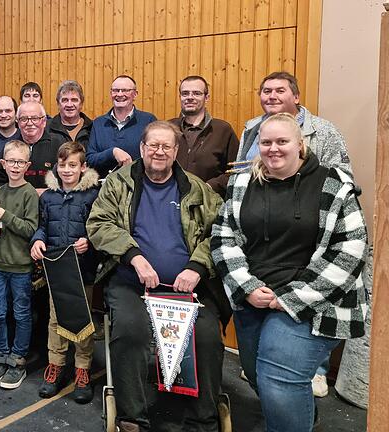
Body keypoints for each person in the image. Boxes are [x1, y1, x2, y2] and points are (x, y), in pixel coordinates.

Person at [211, 113, 368, 432]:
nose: (273, 149)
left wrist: (291, 299)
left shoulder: (332, 184)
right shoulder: (243, 183)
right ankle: (303, 419)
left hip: (315, 303)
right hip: (254, 297)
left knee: (278, 375)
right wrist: (247, 286)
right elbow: (223, 235)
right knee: (257, 376)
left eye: (282, 141)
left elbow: (351, 249)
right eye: (265, 142)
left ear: (301, 145)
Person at [87, 121, 228, 431]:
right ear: (142, 148)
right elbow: (99, 225)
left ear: (176, 151)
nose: (159, 152)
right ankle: (132, 417)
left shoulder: (197, 188)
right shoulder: (118, 183)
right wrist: (134, 257)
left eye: (167, 146)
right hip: (131, 281)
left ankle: (203, 419)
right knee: (130, 331)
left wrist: (197, 267)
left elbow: (220, 232)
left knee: (205, 337)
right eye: (153, 145)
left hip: (188, 286)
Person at [30, 142, 99, 404]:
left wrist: (89, 241)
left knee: (83, 320)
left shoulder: (93, 195)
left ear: (83, 167)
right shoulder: (48, 196)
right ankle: (55, 366)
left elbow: (99, 228)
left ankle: (82, 369)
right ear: (56, 167)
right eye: (62, 165)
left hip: (83, 270)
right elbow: (42, 226)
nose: (67, 170)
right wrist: (37, 240)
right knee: (55, 319)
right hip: (56, 267)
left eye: (72, 165)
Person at [0, 140, 39, 390]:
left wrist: (6, 216)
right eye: (10, 161)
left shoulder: (29, 193)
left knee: (22, 313)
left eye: (20, 162)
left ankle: (17, 359)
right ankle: (0, 355)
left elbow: (30, 229)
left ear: (27, 165)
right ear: (3, 164)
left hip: (21, 266)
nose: (15, 166)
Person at [235, 71, 353, 177]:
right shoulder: (250, 128)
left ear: (296, 97)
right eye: (267, 91)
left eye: (280, 91)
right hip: (254, 199)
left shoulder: (324, 130)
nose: (272, 96)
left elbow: (342, 175)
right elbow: (238, 172)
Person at [168, 75, 239, 197]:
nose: (190, 97)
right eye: (185, 93)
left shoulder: (222, 130)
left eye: (196, 93)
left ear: (206, 97)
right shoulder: (168, 128)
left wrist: (210, 186)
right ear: (180, 97)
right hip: (171, 200)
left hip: (208, 204)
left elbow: (235, 170)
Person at [86, 75, 157, 177]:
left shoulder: (148, 121)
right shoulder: (98, 123)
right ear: (111, 93)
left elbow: (155, 155)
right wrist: (112, 153)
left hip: (139, 187)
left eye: (125, 90)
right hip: (105, 189)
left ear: (135, 94)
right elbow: (90, 160)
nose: (119, 94)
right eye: (115, 90)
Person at [0, 101, 61, 192]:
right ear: (18, 122)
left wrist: (47, 193)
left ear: (44, 122)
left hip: (50, 203)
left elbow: (68, 180)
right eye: (24, 119)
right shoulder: (10, 146)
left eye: (35, 118)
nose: (29, 123)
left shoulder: (58, 145)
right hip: (18, 204)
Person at [48, 80, 93, 148]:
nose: (69, 105)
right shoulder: (46, 128)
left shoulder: (92, 128)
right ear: (58, 103)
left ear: (81, 103)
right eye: (65, 100)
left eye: (74, 100)